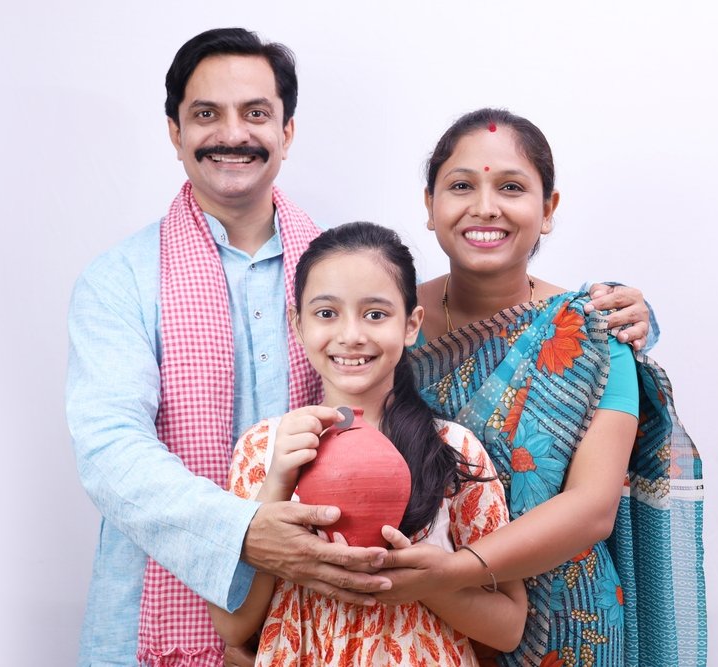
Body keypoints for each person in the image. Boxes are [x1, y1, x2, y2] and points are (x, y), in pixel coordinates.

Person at [66, 27, 657, 667]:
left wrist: (621, 321)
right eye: (206, 113)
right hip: (206, 616)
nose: (351, 332)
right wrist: (250, 530)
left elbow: (553, 365)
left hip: (530, 624)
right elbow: (110, 453)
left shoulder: (350, 275)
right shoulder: (124, 281)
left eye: (256, 113)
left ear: (286, 132)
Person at [376, 109, 707, 666]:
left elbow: (592, 507)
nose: (485, 207)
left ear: (548, 210)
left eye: (511, 187)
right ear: (429, 205)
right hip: (418, 629)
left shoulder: (594, 333)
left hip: (568, 626)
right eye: (461, 186)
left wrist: (456, 570)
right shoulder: (382, 322)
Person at [208, 222, 528, 665]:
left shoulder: (454, 448)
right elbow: (232, 625)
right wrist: (278, 484)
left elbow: (509, 628)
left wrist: (426, 583)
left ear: (411, 324)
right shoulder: (264, 449)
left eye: (375, 314)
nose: (351, 335)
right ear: (297, 325)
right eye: (326, 314)